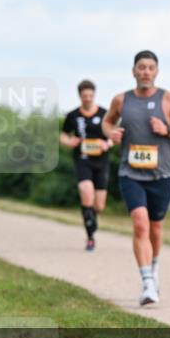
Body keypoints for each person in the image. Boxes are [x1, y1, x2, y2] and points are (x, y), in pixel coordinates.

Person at [103, 51, 170, 306]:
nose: (146, 72)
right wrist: (112, 133)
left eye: (150, 68)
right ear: (133, 71)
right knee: (140, 224)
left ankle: (154, 267)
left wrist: (168, 130)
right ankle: (147, 284)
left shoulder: (169, 99)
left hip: (160, 174)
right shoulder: (121, 100)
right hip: (130, 173)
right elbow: (107, 123)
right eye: (141, 67)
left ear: (156, 71)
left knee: (155, 227)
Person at [61, 80, 113, 251]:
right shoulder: (73, 116)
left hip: (101, 162)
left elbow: (115, 134)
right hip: (83, 160)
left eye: (90, 96)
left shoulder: (105, 114)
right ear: (80, 96)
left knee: (99, 206)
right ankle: (90, 236)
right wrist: (70, 141)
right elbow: (63, 135)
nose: (87, 99)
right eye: (84, 96)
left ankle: (91, 217)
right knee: (86, 191)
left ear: (94, 95)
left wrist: (108, 143)